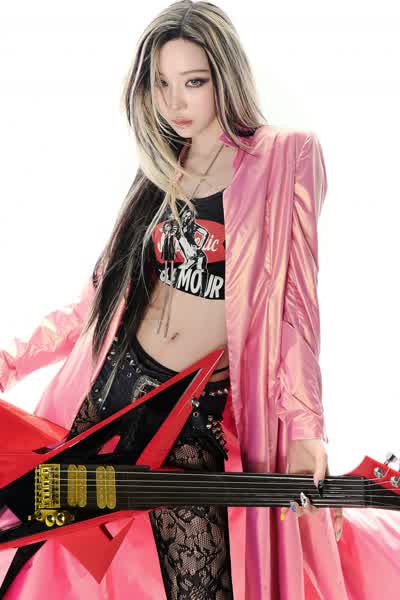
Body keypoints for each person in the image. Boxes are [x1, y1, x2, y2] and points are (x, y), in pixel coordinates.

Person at [2, 2, 400, 599]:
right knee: (46, 555)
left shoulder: (284, 157)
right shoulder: (160, 170)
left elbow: (295, 308)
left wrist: (306, 426)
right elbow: (92, 305)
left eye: (193, 81)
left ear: (226, 75)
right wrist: (7, 363)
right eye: (161, 83)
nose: (175, 103)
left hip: (194, 409)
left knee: (201, 585)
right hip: (110, 394)